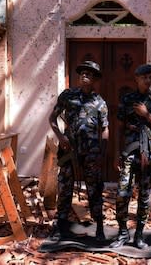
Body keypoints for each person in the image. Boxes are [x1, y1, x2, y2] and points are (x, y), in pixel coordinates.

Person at [110, 64, 151, 249]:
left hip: (149, 156)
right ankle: (122, 233)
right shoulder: (127, 99)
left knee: (145, 197)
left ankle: (139, 235)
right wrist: (115, 154)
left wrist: (147, 115)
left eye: (150, 76)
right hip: (129, 153)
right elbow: (118, 128)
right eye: (144, 77)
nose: (148, 80)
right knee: (122, 194)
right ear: (136, 78)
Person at [48, 61, 109, 241]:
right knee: (65, 187)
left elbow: (105, 128)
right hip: (69, 149)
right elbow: (52, 119)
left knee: (95, 188)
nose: (84, 75)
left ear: (95, 79)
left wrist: (102, 153)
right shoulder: (68, 96)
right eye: (82, 72)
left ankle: (99, 226)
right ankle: (61, 225)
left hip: (91, 152)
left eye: (89, 73)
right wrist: (60, 137)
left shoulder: (100, 102)